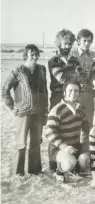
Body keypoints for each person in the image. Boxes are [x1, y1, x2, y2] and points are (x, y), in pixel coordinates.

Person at [1, 44, 48, 176]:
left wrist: (45, 109)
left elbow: (44, 90)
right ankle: (18, 173)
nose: (35, 57)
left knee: (36, 143)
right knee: (21, 144)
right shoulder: (17, 71)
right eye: (32, 54)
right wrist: (13, 107)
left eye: (36, 54)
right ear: (25, 55)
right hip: (23, 114)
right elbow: (5, 91)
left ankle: (35, 171)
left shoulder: (42, 69)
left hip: (38, 113)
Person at [48, 29, 83, 172]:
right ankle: (53, 161)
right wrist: (73, 75)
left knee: (71, 125)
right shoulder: (53, 60)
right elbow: (61, 78)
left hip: (72, 94)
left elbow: (80, 77)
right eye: (65, 43)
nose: (67, 46)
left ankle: (70, 156)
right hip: (57, 96)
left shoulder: (75, 59)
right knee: (56, 127)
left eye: (70, 43)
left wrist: (73, 76)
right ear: (58, 43)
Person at [45, 81, 90, 182]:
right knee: (70, 163)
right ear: (64, 92)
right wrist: (64, 146)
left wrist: (86, 142)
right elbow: (49, 132)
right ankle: (58, 170)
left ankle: (75, 166)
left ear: (79, 93)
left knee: (86, 160)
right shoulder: (57, 109)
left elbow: (87, 127)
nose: (73, 93)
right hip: (58, 149)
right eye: (70, 90)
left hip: (75, 147)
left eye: (76, 91)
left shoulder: (81, 108)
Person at [71, 29, 95, 126]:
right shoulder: (72, 54)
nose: (87, 44)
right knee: (73, 122)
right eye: (84, 41)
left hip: (88, 92)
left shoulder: (94, 55)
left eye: (89, 41)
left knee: (88, 123)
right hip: (73, 93)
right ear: (78, 41)